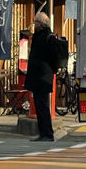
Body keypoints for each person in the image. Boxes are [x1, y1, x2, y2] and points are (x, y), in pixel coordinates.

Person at [24, 11, 61, 142]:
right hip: (38, 75)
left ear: (42, 23)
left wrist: (52, 69)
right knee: (39, 105)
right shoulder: (38, 36)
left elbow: (54, 57)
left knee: (43, 105)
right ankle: (43, 133)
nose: (35, 24)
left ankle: (48, 133)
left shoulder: (48, 37)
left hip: (43, 76)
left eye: (37, 22)